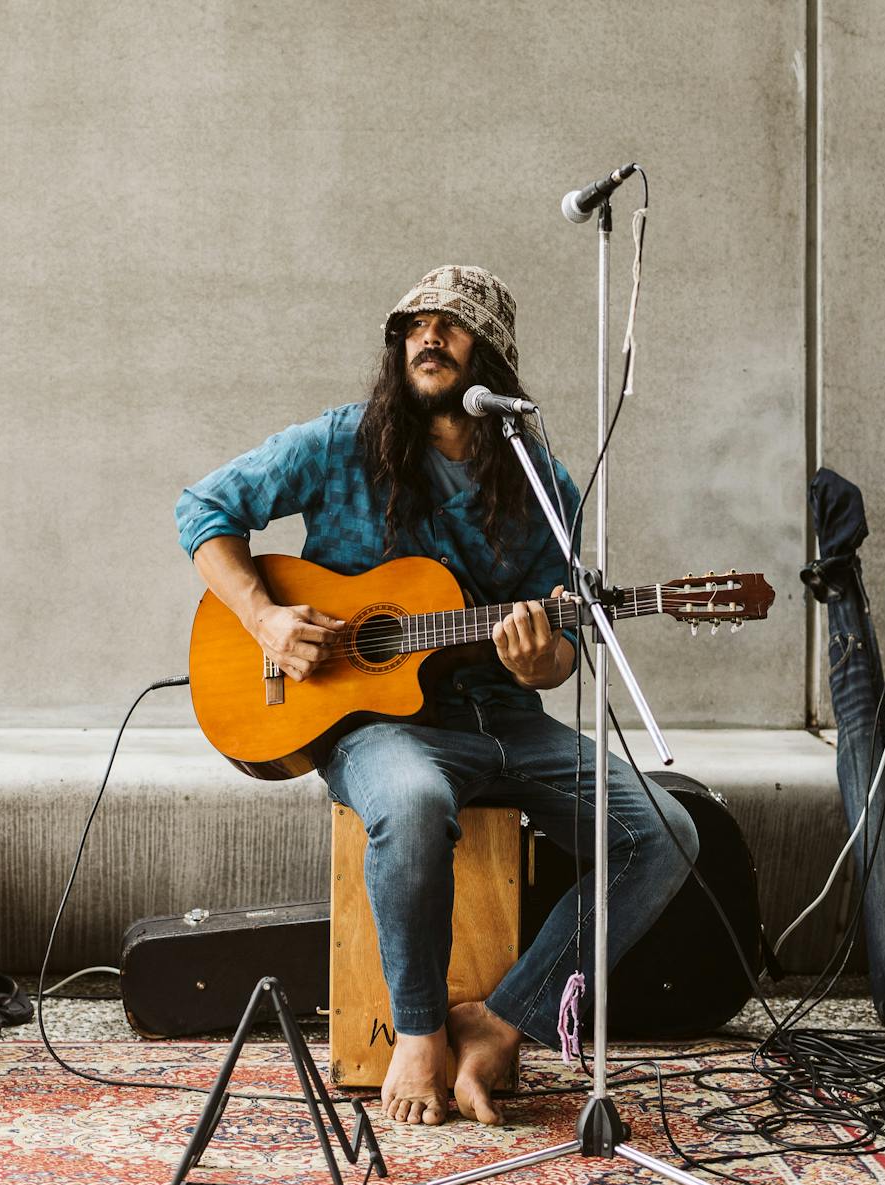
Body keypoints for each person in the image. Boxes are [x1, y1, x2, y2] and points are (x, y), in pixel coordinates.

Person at [175, 265, 698, 1127]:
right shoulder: (342, 444)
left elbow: (560, 650)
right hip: (375, 726)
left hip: (505, 722)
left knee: (666, 835)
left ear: (492, 356)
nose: (427, 337)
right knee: (412, 802)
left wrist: (542, 662)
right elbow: (203, 509)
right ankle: (417, 1032)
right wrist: (263, 617)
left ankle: (501, 1019)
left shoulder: (541, 485)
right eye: (414, 324)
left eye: (451, 324)